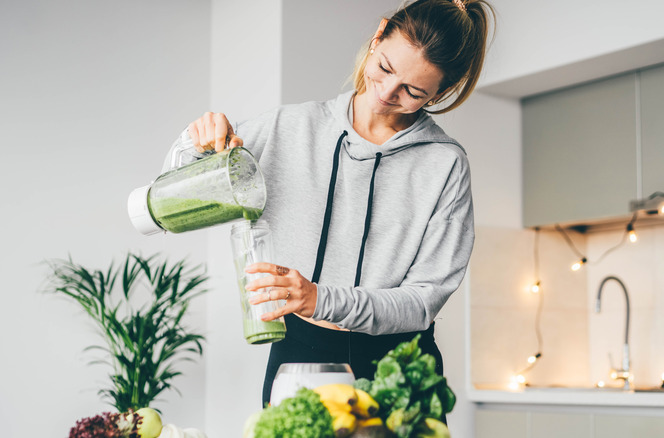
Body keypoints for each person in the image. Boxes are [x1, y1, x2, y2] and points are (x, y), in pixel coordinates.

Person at [178, 0, 494, 406]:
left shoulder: (444, 164)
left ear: (442, 91)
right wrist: (198, 142)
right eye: (384, 68)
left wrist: (319, 298)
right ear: (379, 34)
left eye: (414, 92)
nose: (385, 94)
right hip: (300, 355)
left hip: (400, 365)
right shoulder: (288, 128)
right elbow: (180, 187)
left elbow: (423, 300)